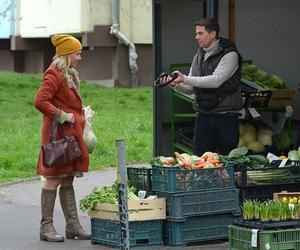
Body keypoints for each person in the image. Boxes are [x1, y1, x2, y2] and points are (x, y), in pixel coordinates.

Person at [34, 34, 90, 242]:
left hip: (70, 135)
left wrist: (81, 114)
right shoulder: (54, 74)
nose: (80, 57)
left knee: (68, 177)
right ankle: (46, 227)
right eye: (77, 53)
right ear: (66, 54)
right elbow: (40, 101)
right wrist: (61, 115)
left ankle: (72, 226)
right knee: (54, 178)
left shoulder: (70, 73)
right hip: (57, 136)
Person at [161, 18, 243, 156]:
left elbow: (216, 81)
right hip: (203, 117)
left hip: (226, 117)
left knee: (228, 161)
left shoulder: (230, 55)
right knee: (200, 161)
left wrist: (185, 78)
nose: (196, 37)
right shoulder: (198, 55)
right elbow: (190, 89)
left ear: (213, 34)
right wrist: (174, 84)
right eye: (196, 34)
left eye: (200, 33)